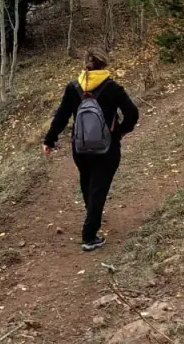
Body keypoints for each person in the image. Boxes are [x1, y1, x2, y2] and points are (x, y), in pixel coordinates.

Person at [43, 50, 139, 251]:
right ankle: (89, 235)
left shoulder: (73, 87)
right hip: (107, 147)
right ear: (104, 65)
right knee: (99, 188)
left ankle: (92, 214)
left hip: (80, 147)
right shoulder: (113, 87)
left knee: (87, 182)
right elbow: (132, 113)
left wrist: (49, 140)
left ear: (85, 65)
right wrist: (120, 131)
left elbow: (61, 116)